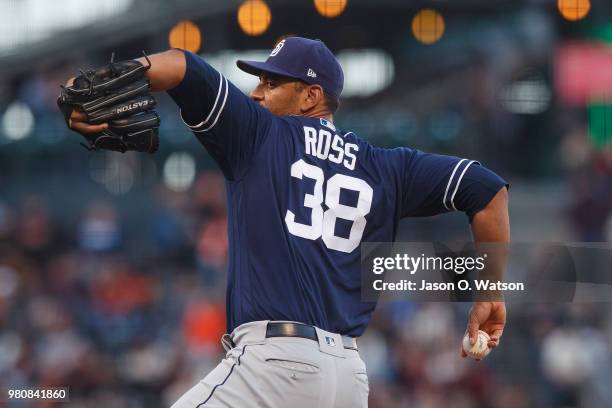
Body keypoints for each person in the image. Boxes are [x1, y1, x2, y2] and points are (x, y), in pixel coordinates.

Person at [67, 37, 509, 407]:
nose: (258, 93)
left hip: (275, 366)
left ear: (311, 96)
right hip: (349, 381)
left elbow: (184, 66)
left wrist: (109, 77)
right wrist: (490, 292)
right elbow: (488, 190)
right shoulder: (386, 167)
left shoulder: (260, 134)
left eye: (271, 82)